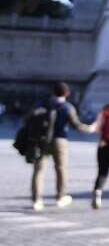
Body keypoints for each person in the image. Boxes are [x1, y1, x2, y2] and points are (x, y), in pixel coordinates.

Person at [29, 82, 93, 211]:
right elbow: (77, 126)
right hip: (60, 141)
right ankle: (61, 196)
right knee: (61, 169)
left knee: (38, 171)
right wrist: (90, 129)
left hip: (41, 141)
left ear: (53, 92)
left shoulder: (43, 104)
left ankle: (36, 200)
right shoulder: (67, 107)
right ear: (67, 93)